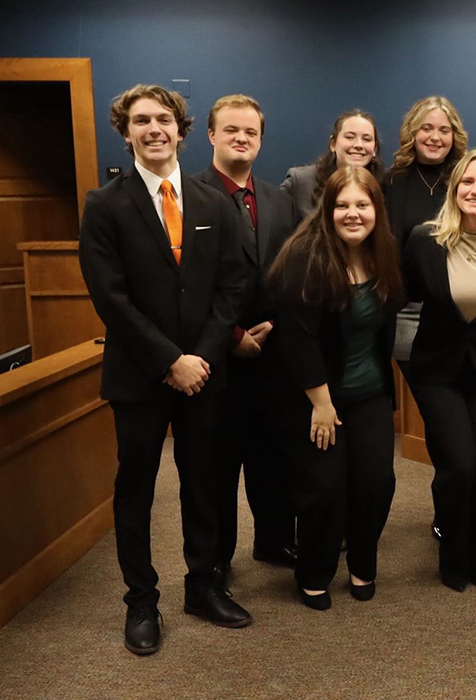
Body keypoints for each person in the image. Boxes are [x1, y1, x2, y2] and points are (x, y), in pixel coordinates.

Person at [78, 84, 250, 655]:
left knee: (204, 483)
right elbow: (111, 299)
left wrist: (198, 358)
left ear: (181, 129)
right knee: (137, 489)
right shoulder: (105, 205)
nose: (154, 129)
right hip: (140, 376)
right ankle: (141, 601)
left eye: (164, 120)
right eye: (141, 121)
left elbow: (232, 286)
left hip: (204, 373)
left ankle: (203, 585)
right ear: (125, 131)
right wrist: (169, 360)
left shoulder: (211, 201)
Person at [267, 166, 403, 609]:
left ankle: (363, 564)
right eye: (342, 205)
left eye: (362, 205)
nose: (352, 214)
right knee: (323, 489)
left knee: (376, 482)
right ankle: (314, 571)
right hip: (313, 397)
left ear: (376, 211)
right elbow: (298, 340)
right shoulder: (305, 257)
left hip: (369, 394)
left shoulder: (382, 254)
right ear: (326, 210)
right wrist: (322, 405)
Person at [402, 150, 476, 591]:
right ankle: (453, 547)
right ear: (455, 189)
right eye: (468, 182)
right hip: (437, 371)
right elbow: (399, 294)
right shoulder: (424, 239)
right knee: (459, 466)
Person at [195, 94, 301, 586]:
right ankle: (216, 556)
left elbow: (287, 272)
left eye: (251, 132)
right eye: (231, 130)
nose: (242, 138)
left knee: (274, 456)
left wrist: (275, 328)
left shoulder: (279, 200)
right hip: (215, 356)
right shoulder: (190, 196)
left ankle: (274, 538)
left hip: (274, 353)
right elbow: (187, 282)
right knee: (219, 464)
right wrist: (232, 335)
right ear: (211, 135)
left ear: (260, 139)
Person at [383, 95, 468, 542]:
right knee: (440, 418)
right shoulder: (391, 181)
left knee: (460, 421)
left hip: (465, 315)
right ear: (411, 133)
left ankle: (452, 504)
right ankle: (449, 507)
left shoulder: (467, 178)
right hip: (411, 316)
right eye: (427, 129)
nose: (435, 137)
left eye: (444, 130)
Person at [281, 109, 384, 221]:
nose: (359, 145)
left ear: (375, 148)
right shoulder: (300, 182)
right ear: (333, 144)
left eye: (366, 139)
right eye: (350, 137)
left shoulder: (386, 187)